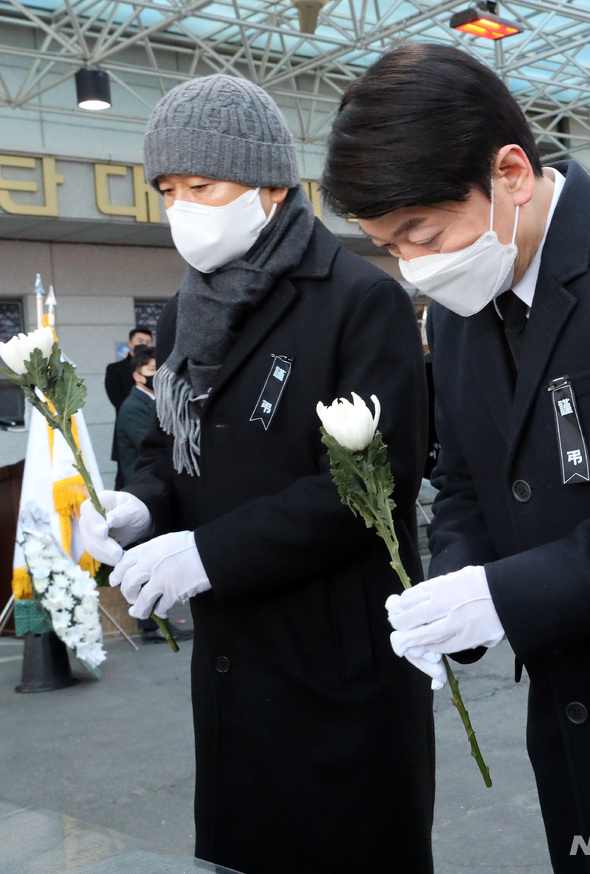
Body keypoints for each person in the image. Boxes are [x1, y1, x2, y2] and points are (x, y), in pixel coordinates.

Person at [320, 42, 590, 873]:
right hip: (570, 726)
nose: (414, 268)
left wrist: (505, 594)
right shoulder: (468, 310)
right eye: (389, 248)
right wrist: (453, 592)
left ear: (510, 174)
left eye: (420, 233)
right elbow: (464, 479)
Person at [79, 74, 434, 874]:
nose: (182, 209)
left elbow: (369, 485)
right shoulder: (185, 311)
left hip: (339, 656)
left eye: (203, 185)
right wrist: (138, 504)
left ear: (272, 185)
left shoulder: (356, 301)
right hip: (237, 661)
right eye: (168, 189)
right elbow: (170, 446)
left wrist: (207, 554)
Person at [115, 345, 193, 643]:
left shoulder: (155, 399)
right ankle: (152, 624)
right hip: (143, 491)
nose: (157, 376)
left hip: (153, 489)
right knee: (146, 561)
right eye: (151, 371)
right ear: (137, 376)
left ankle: (158, 621)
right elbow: (153, 448)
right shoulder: (134, 406)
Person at [105, 327, 153, 488]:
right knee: (126, 475)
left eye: (148, 342)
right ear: (130, 343)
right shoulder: (115, 369)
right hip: (129, 426)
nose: (144, 344)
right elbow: (117, 399)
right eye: (140, 341)